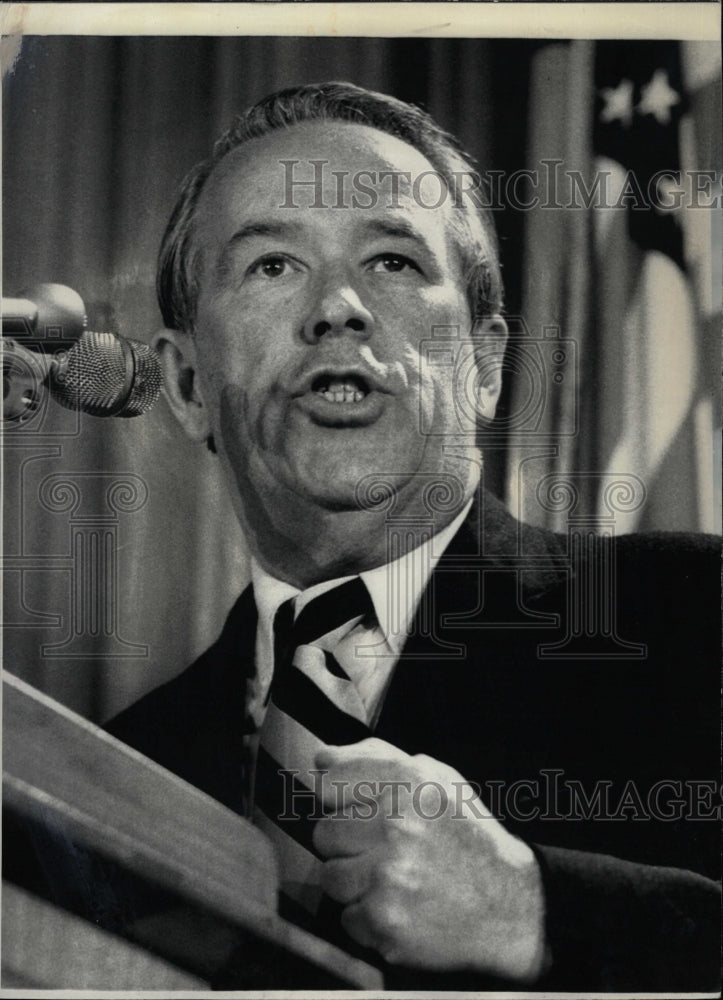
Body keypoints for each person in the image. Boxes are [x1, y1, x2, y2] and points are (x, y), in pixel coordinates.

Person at [105, 82, 720, 990]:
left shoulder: (692, 619)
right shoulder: (124, 770)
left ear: (485, 365)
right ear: (188, 384)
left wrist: (541, 912)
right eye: (272, 265)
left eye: (392, 260)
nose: (338, 309)